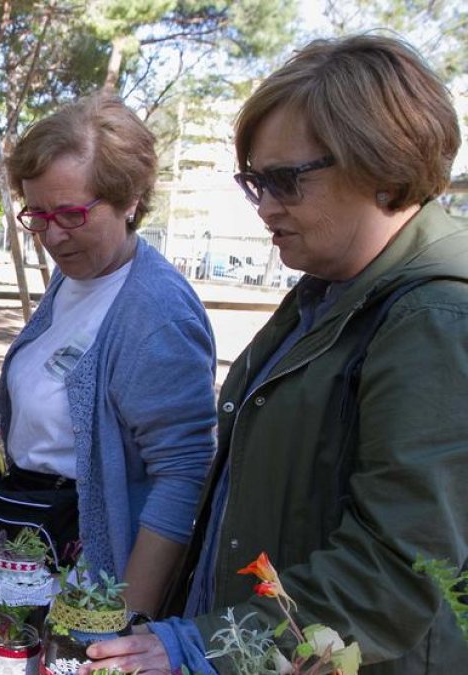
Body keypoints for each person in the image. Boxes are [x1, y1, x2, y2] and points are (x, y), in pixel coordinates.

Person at [82, 35, 468, 674]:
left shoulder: (435, 318)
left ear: (383, 164)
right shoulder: (330, 289)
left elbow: (395, 571)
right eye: (254, 181)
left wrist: (201, 647)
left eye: (285, 181)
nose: (264, 206)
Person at [0, 94, 216, 617]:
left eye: (71, 213)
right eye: (38, 215)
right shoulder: (75, 272)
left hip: (94, 577)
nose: (52, 236)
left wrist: (123, 619)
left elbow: (183, 476)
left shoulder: (156, 313)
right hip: (36, 537)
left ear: (131, 199)